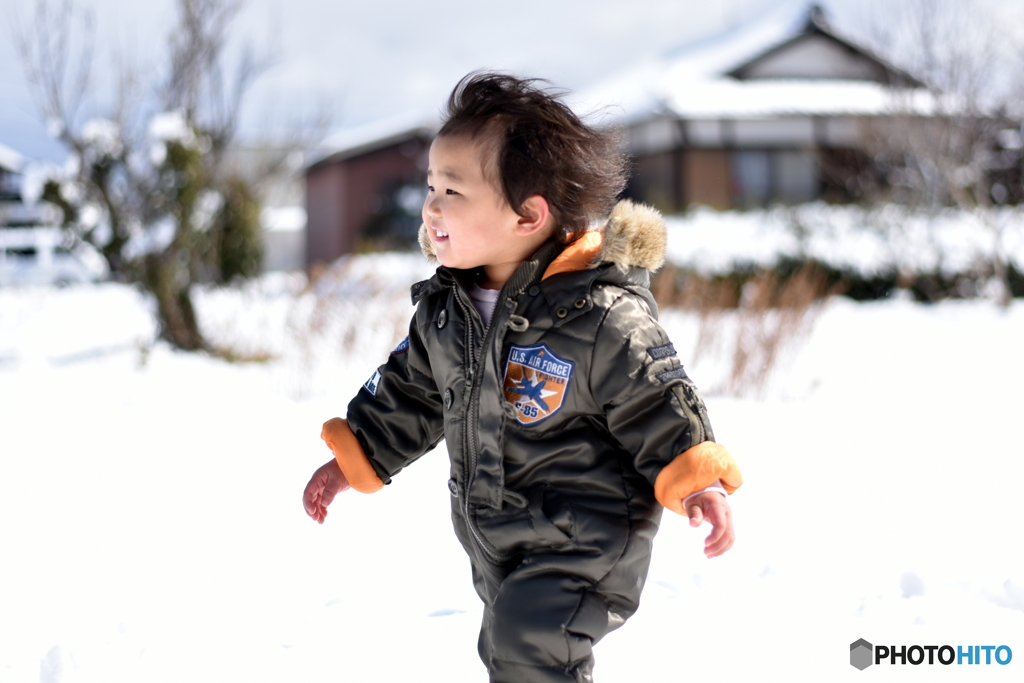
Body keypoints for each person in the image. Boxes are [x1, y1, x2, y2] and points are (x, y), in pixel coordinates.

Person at [302, 72, 743, 683]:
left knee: (526, 644)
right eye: (430, 186)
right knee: (518, 656)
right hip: (496, 530)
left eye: (452, 191)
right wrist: (355, 457)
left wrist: (699, 480)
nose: (431, 206)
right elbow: (411, 393)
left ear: (527, 215)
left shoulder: (598, 316)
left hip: (587, 534)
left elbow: (657, 397)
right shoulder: (446, 311)